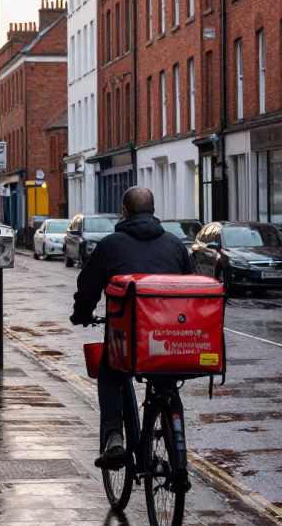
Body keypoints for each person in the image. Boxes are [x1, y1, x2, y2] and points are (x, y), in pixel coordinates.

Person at [70, 185, 191, 469]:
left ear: (124, 212)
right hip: (169, 339)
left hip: (126, 341)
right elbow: (189, 286)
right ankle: (178, 453)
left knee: (110, 376)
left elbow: (87, 288)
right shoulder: (175, 244)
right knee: (166, 384)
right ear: (152, 211)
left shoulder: (110, 245)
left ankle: (114, 439)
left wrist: (82, 313)